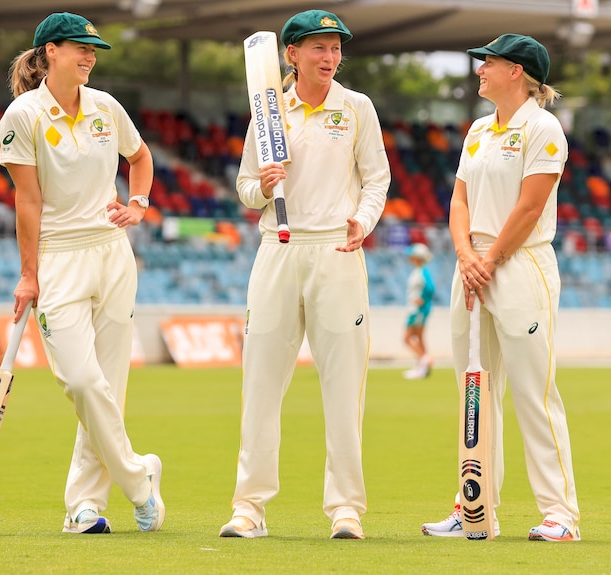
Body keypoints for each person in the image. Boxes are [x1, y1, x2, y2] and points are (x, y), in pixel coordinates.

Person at [219, 9, 390, 540]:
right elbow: (246, 189)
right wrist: (263, 186)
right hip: (278, 249)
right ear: (290, 54)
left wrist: (362, 221)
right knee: (261, 385)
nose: (330, 57)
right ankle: (249, 507)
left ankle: (346, 509)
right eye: (318, 47)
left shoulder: (356, 107)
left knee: (344, 388)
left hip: (337, 252)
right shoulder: (267, 111)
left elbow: (377, 179)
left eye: (336, 48)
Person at [0, 12, 164, 534]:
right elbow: (27, 201)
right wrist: (29, 274)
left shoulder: (106, 107)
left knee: (109, 389)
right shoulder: (21, 116)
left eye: (94, 51)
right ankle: (140, 479)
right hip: (59, 258)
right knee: (82, 382)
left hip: (113, 254)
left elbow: (140, 157)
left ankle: (85, 507)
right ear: (50, 51)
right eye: (79, 49)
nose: (90, 57)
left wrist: (138, 203)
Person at [421, 34, 580, 542]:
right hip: (472, 267)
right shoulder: (477, 130)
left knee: (535, 391)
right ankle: (475, 510)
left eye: (487, 63)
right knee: (476, 394)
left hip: (520, 265)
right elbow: (459, 202)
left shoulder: (544, 127)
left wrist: (487, 260)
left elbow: (531, 207)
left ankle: (561, 515)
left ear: (516, 71)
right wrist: (467, 256)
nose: (479, 71)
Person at [402, 243, 436, 379]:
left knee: (407, 337)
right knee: (419, 337)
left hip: (418, 310)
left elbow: (430, 288)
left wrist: (422, 299)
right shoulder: (419, 271)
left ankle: (424, 359)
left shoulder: (422, 272)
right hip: (417, 309)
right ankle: (422, 368)